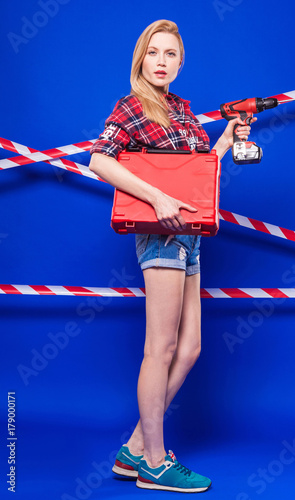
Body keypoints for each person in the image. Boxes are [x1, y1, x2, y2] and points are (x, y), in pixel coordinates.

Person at [89, 19, 254, 493]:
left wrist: (227, 136)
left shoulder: (181, 110)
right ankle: (155, 465)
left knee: (190, 348)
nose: (161, 62)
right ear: (141, 57)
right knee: (158, 348)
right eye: (154, 53)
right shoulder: (131, 107)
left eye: (170, 54)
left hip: (191, 234)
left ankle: (135, 449)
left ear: (181, 63)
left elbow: (201, 169)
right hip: (160, 233)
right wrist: (157, 198)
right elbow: (99, 160)